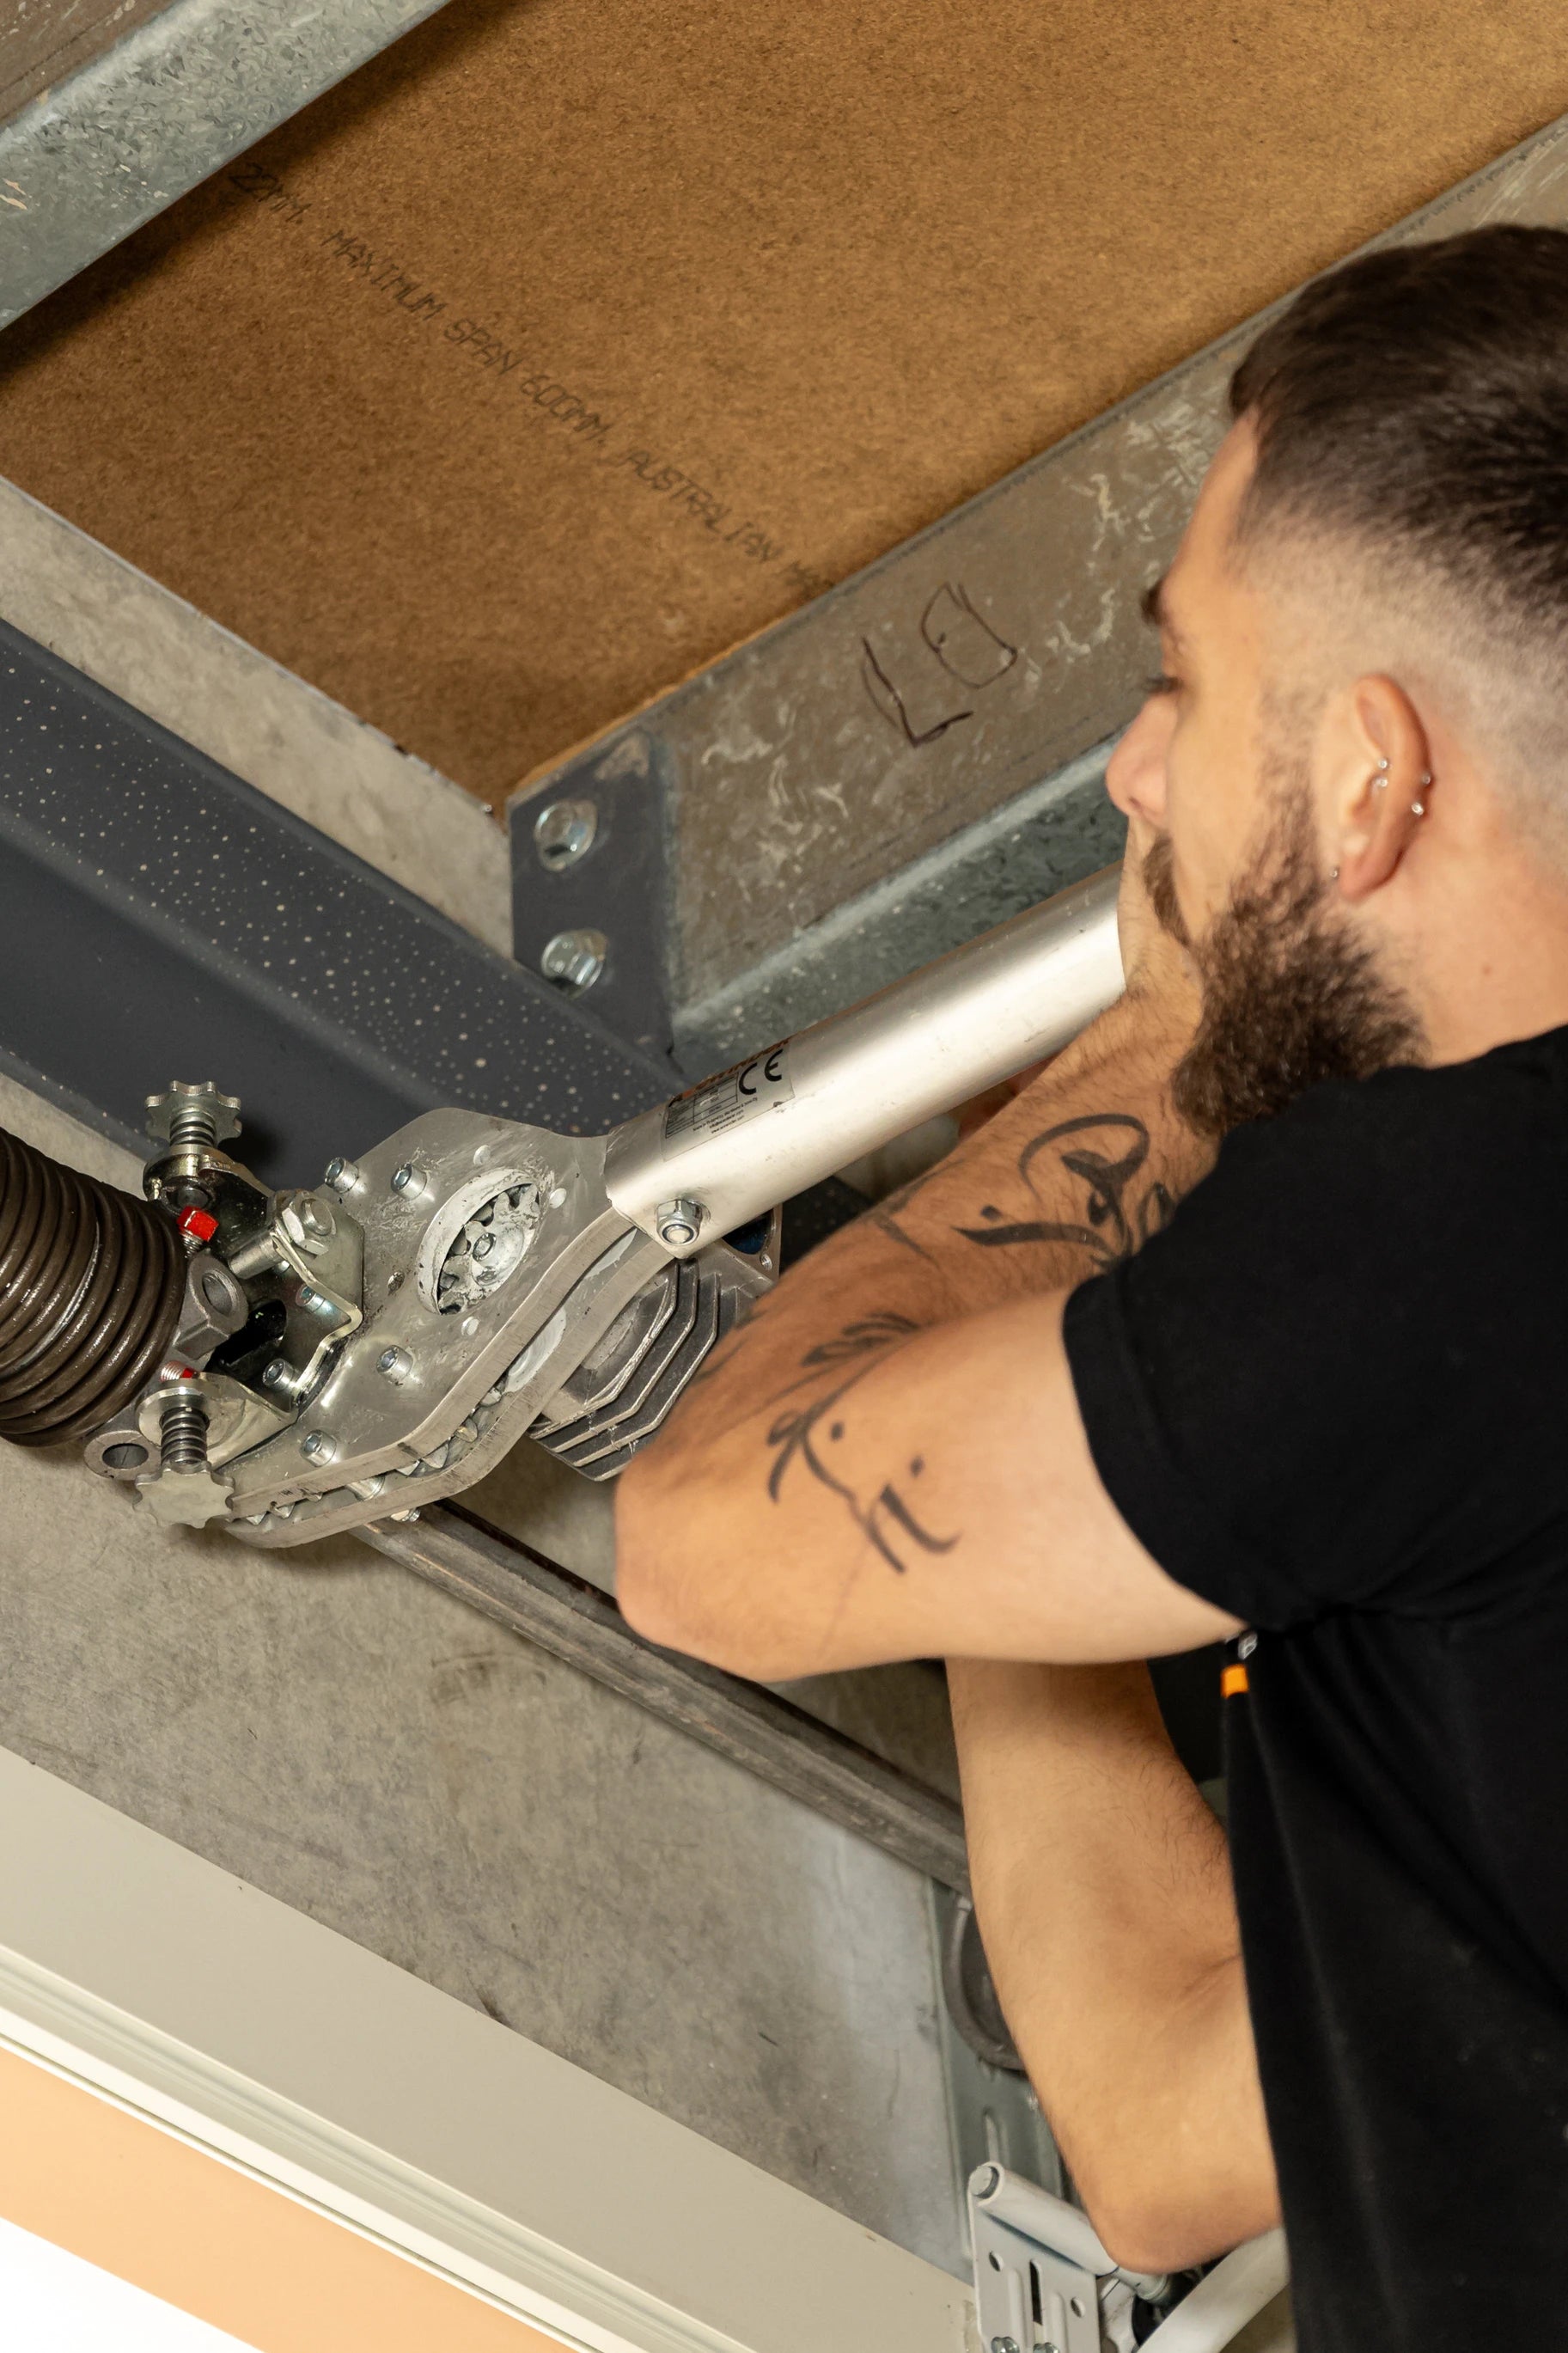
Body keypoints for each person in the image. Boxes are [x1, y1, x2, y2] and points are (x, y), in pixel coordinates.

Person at [614, 223, 1568, 2352]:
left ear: (1368, 787)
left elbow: (700, 1537)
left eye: (1180, 688)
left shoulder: (1479, 1223)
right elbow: (1160, 2115)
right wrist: (1032, 1446)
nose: (1135, 783)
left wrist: (1166, 1042)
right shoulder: (1463, 1492)